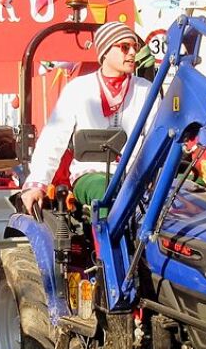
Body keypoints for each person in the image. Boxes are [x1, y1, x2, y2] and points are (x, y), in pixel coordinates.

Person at [20, 21, 152, 213]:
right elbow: (54, 137)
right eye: (124, 47)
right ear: (105, 51)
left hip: (135, 173)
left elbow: (158, 133)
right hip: (92, 172)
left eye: (135, 47)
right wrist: (37, 183)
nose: (132, 52)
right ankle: (111, 243)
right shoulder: (78, 88)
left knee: (185, 192)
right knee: (109, 195)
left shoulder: (146, 90)